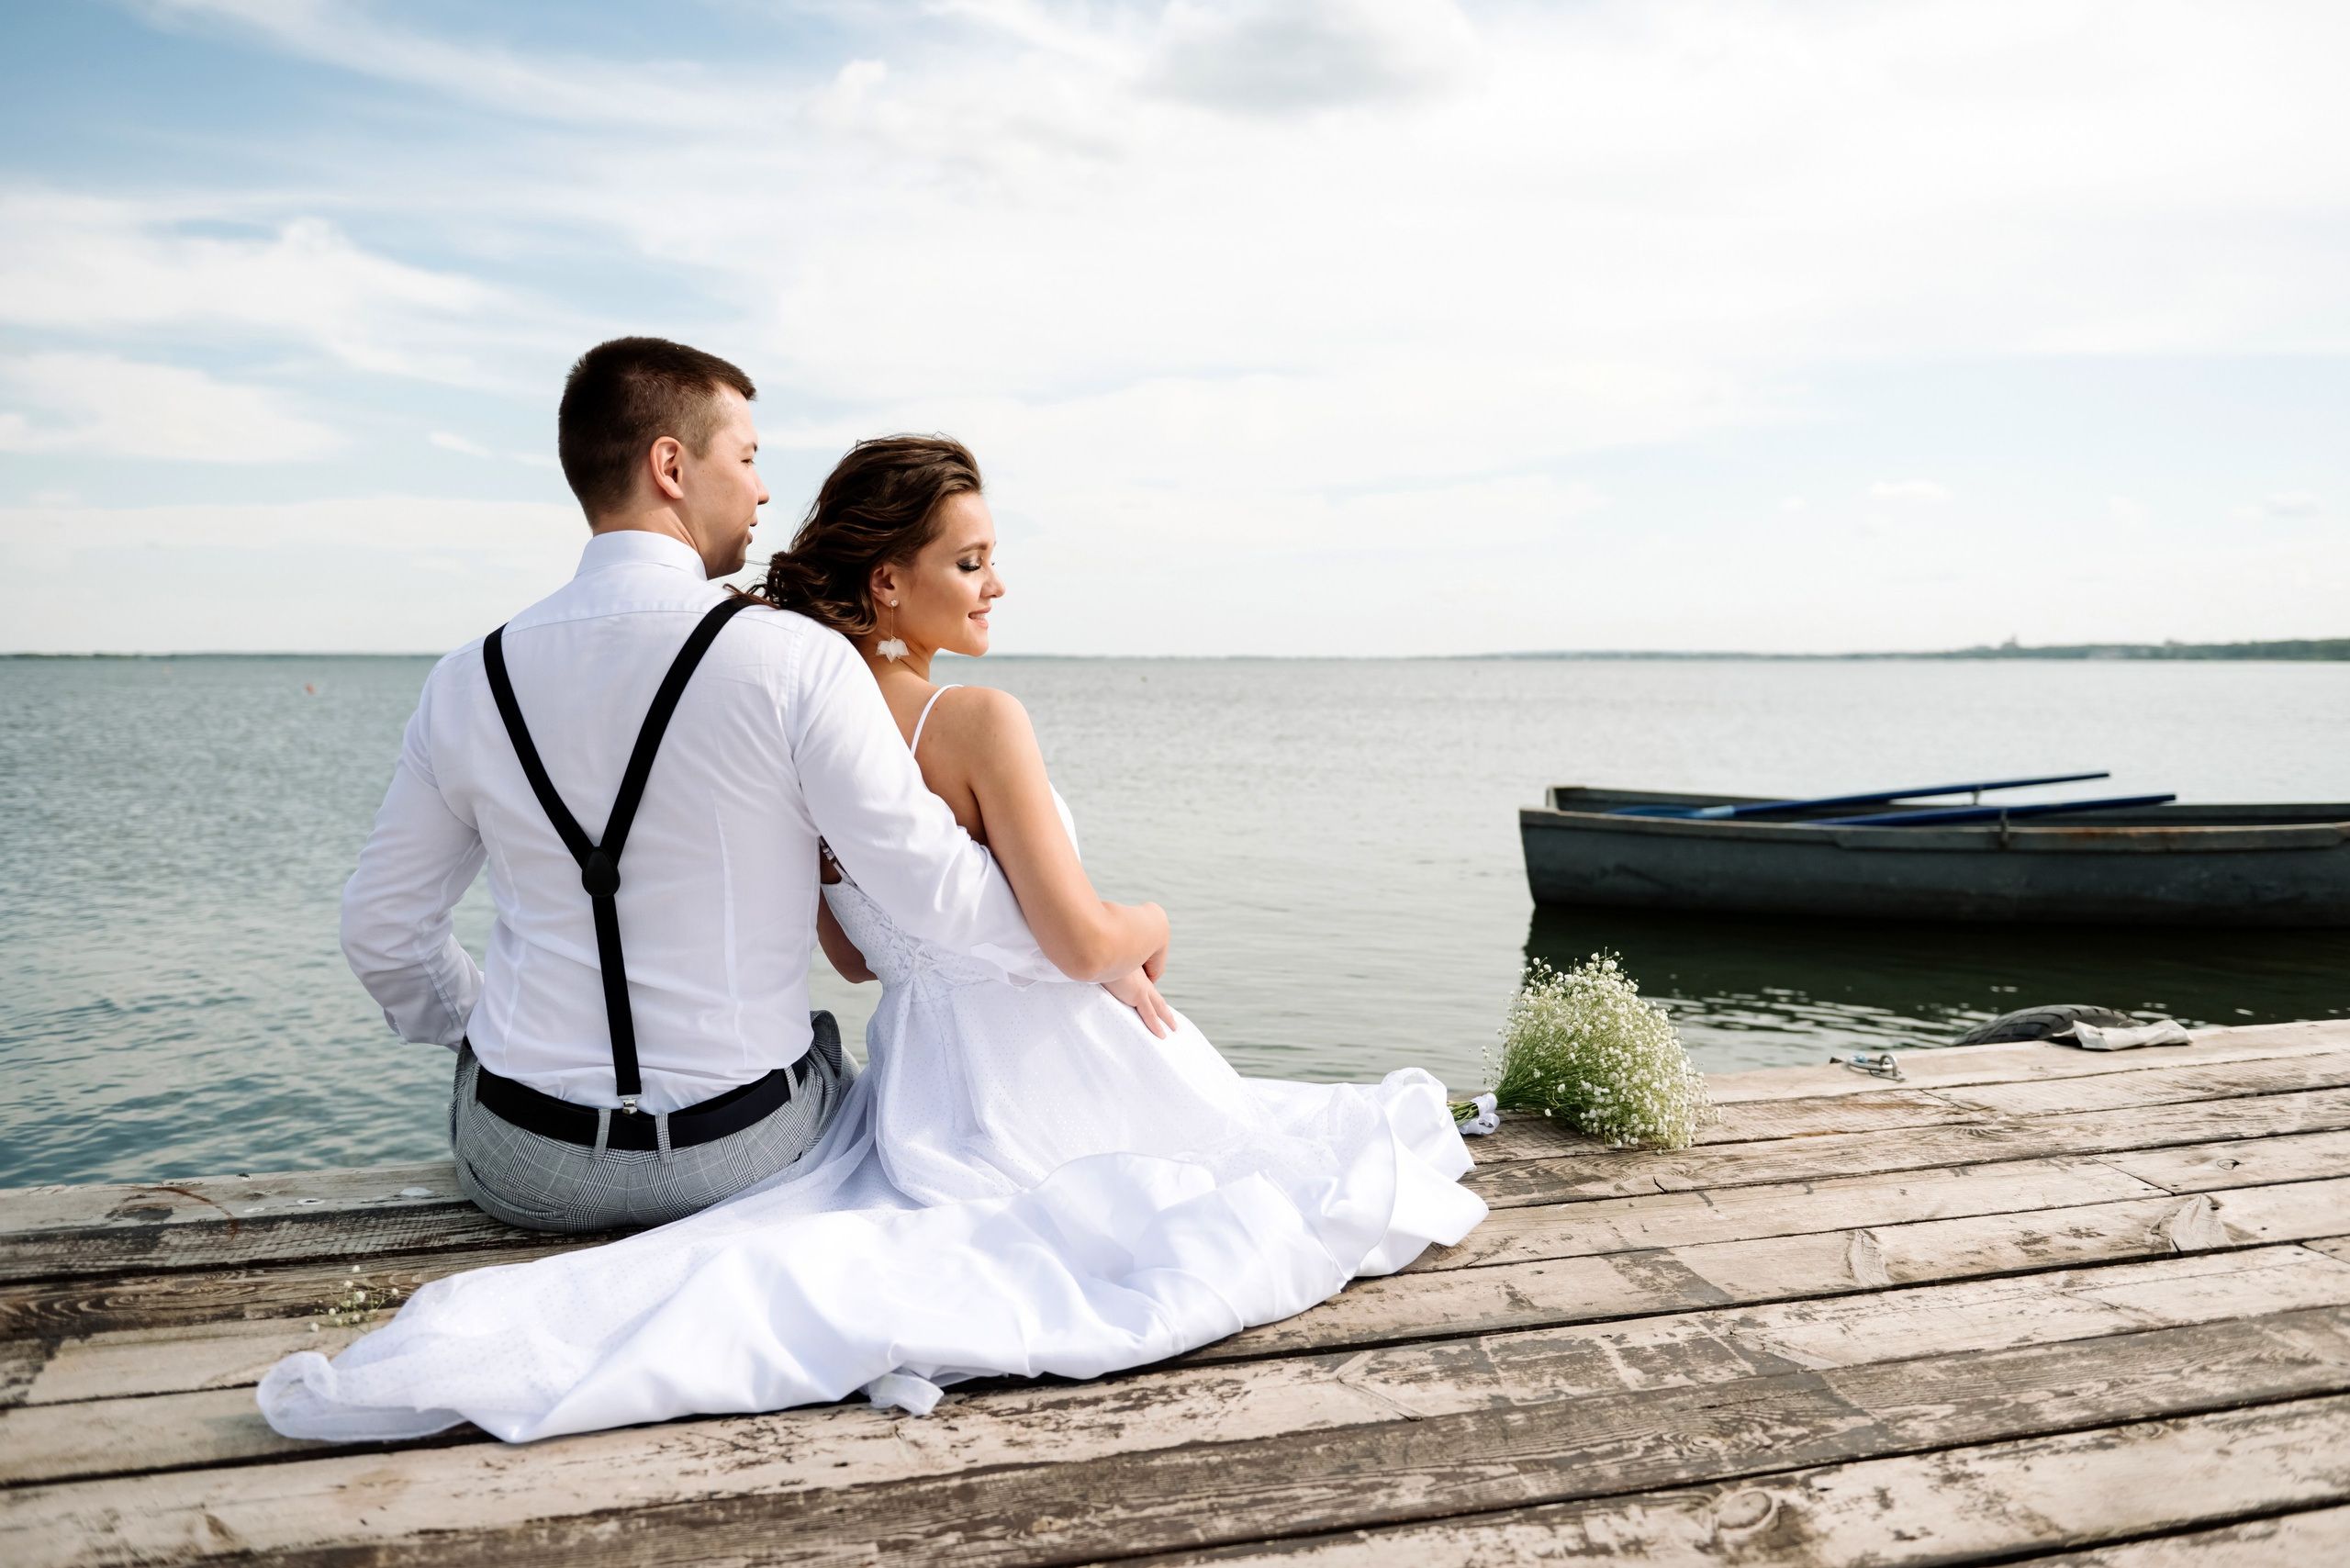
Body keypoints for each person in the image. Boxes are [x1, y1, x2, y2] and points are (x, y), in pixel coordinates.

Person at [263, 433, 1487, 1444]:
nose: (996, 583)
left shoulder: (778, 709)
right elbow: (1065, 938)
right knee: (1256, 1189)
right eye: (971, 559)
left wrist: (492, 1039)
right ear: (889, 582)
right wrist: (1149, 926)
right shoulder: (973, 719)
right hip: (1043, 1054)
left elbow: (854, 955)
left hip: (907, 1078)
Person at [337, 339, 1167, 1232]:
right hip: (736, 1156)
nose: (764, 490)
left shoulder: (467, 678)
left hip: (523, 1162)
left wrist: (485, 1032)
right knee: (827, 1054)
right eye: (747, 459)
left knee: (504, 1061)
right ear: (670, 466)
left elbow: (382, 929)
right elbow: (935, 891)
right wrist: (1092, 949)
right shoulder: (793, 660)